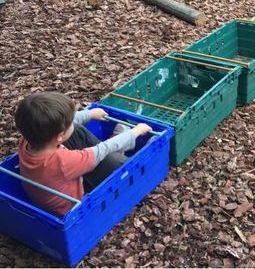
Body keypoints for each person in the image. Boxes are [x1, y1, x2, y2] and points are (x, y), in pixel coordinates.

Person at [14, 91, 152, 216]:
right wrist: (135, 133)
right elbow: (102, 150)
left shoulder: (28, 139)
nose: (71, 123)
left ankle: (121, 144)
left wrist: (89, 114)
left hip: (59, 185)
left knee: (76, 130)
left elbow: (63, 126)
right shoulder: (62, 161)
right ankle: (131, 151)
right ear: (59, 136)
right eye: (69, 123)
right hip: (75, 204)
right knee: (119, 163)